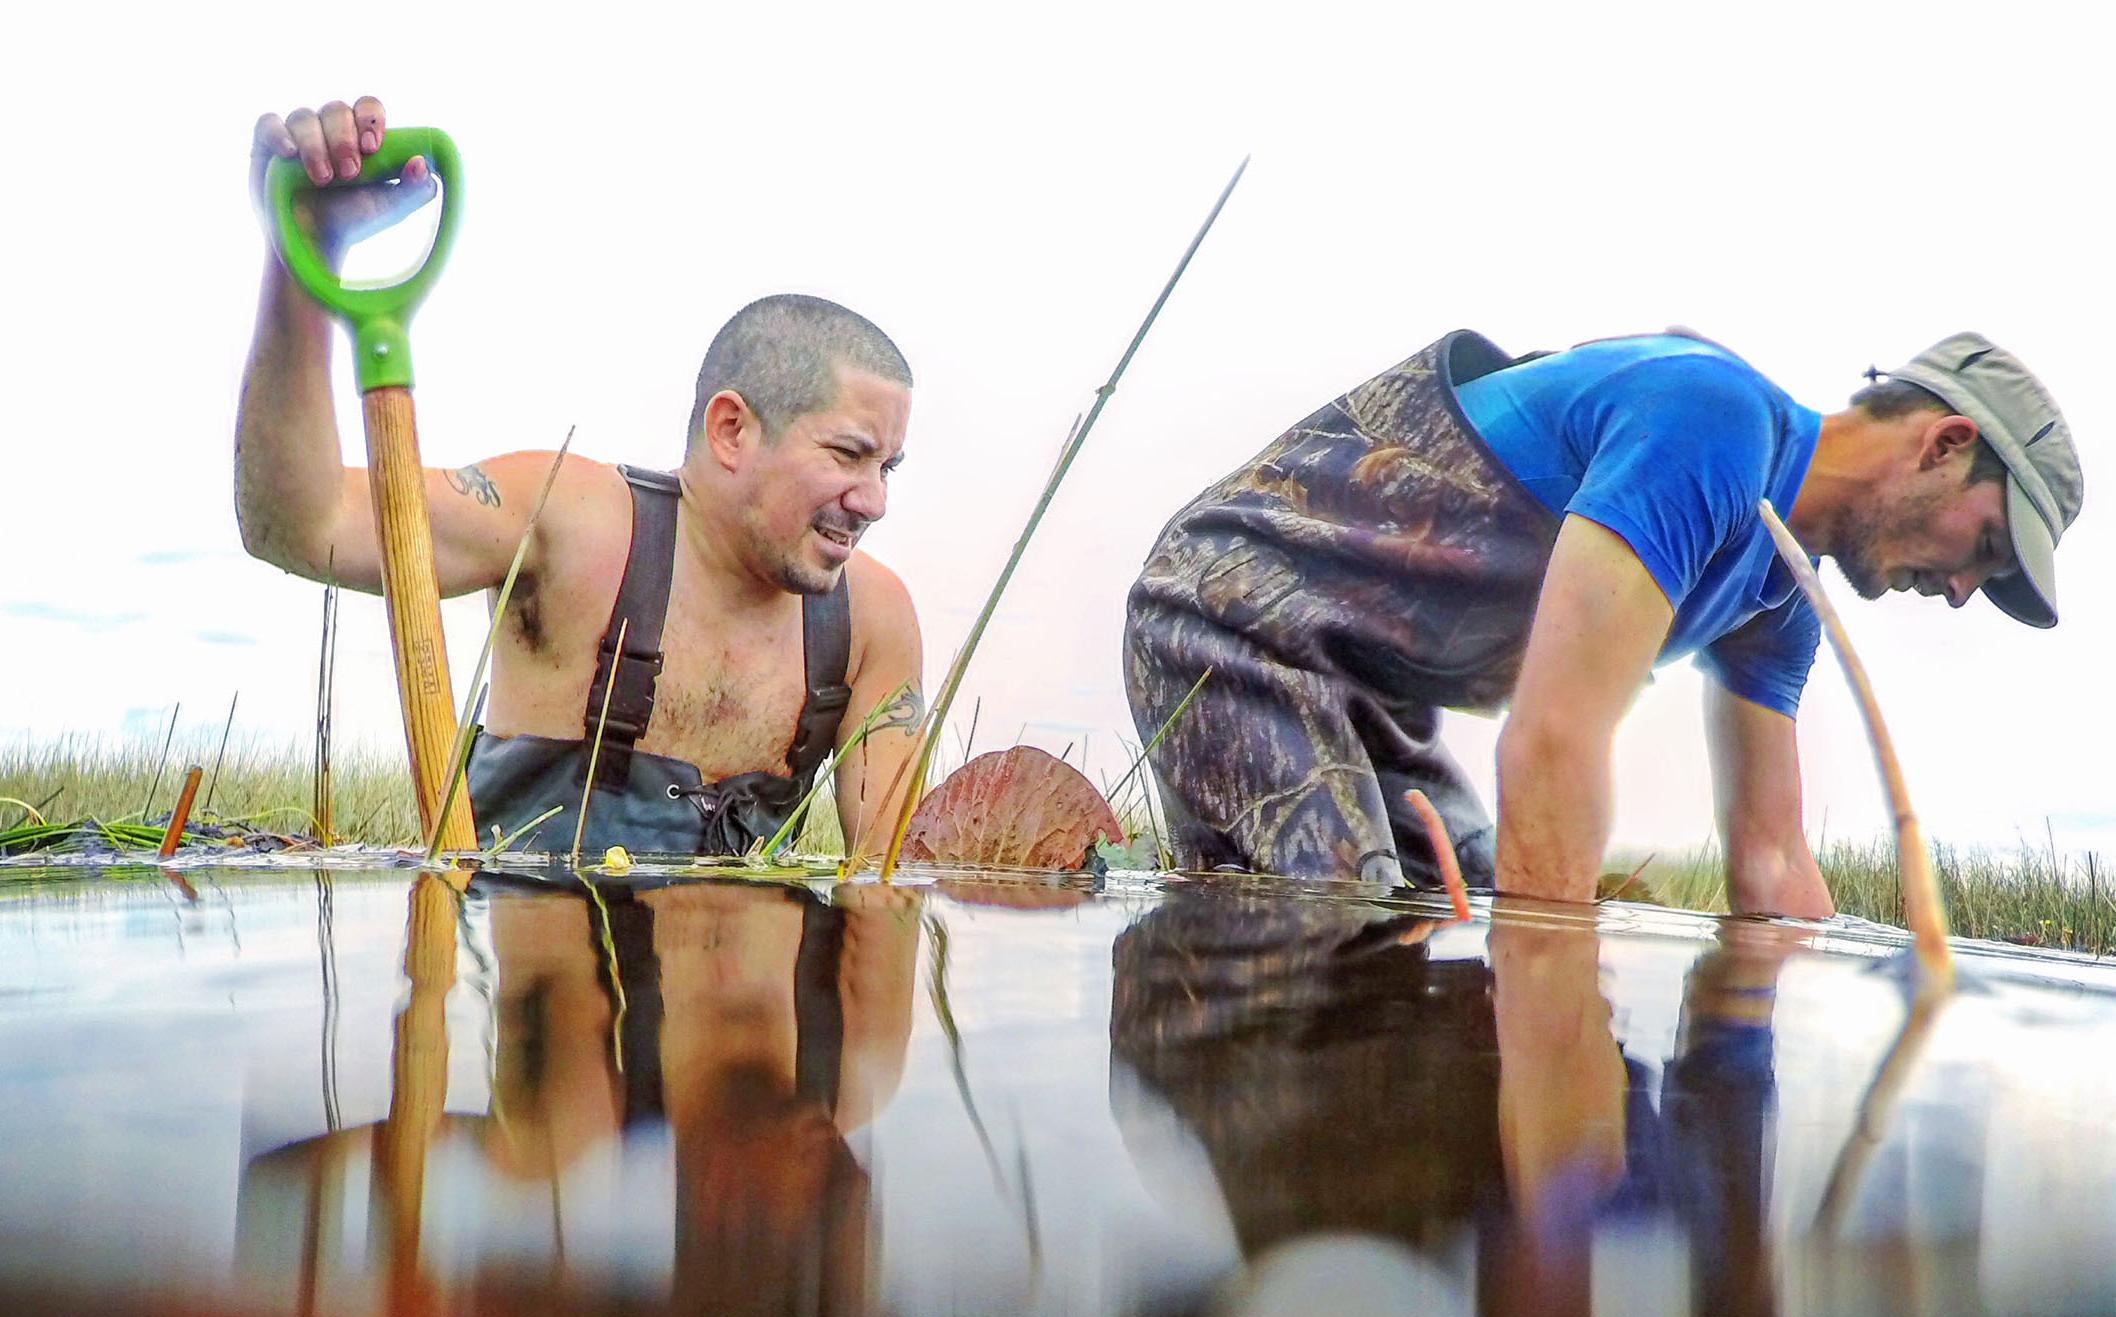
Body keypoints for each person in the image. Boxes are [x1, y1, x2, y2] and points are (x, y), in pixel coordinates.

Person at [1124, 327, 2082, 914]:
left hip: (1367, 700)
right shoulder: (1712, 419)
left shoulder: (1781, 599)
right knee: (1340, 916)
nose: (1963, 592)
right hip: (1229, 621)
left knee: (1472, 906)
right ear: (1946, 445)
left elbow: (1772, 860)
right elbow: (1553, 742)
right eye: (1987, 549)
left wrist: (1876, 1007)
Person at [239, 96, 922, 856]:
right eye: (849, 454)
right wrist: (301, 259)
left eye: (888, 467)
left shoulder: (872, 623)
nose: (875, 501)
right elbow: (300, 526)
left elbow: (886, 897)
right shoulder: (571, 522)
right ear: (732, 429)